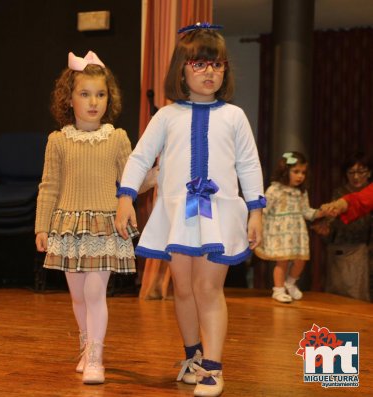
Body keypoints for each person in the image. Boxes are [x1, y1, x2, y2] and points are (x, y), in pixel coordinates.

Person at [115, 23, 265, 397]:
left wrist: (256, 209)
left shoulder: (235, 116)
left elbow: (249, 165)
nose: (209, 72)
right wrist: (125, 198)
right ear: (180, 70)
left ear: (225, 70)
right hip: (178, 216)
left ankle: (213, 368)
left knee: (207, 288)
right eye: (198, 64)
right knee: (182, 288)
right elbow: (139, 158)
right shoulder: (166, 117)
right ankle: (193, 357)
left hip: (221, 215)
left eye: (216, 64)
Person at [35, 51, 145, 385]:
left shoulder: (117, 138)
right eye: (85, 94)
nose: (93, 102)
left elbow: (131, 180)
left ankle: (97, 357)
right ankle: (86, 347)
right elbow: (49, 186)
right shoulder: (57, 141)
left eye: (100, 94)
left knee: (96, 294)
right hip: (68, 228)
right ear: (69, 99)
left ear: (108, 98)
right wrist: (42, 226)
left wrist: (155, 173)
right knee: (79, 296)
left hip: (103, 225)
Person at [255, 151, 324, 303]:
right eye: (296, 171)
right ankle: (278, 290)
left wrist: (320, 212)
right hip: (281, 233)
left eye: (303, 172)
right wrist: (259, 224)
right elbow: (264, 210)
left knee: (301, 260)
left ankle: (290, 283)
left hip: (297, 233)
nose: (300, 176)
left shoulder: (301, 192)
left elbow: (306, 211)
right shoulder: (275, 189)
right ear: (285, 171)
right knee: (283, 261)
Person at [314, 153, 371, 301]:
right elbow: (354, 202)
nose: (356, 177)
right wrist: (336, 206)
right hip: (343, 253)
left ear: (369, 172)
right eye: (351, 172)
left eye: (361, 172)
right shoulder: (341, 193)